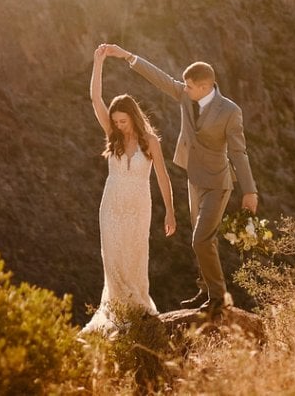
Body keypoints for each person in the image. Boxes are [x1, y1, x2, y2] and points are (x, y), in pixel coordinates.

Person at [103, 44, 258, 320]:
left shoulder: (229, 111)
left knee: (201, 239)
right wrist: (127, 56)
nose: (183, 89)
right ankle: (205, 288)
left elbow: (238, 152)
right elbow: (161, 78)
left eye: (188, 86)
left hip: (217, 182)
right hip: (193, 179)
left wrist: (250, 191)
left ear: (204, 87)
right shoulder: (186, 97)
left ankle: (219, 297)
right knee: (201, 238)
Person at [83, 44, 176, 334]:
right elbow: (95, 98)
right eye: (116, 122)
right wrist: (99, 63)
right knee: (113, 259)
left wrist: (170, 212)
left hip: (138, 208)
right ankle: (116, 313)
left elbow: (163, 177)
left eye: (123, 121)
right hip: (110, 206)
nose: (119, 126)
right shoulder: (113, 135)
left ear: (133, 117)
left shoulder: (150, 141)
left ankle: (135, 310)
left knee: (134, 258)